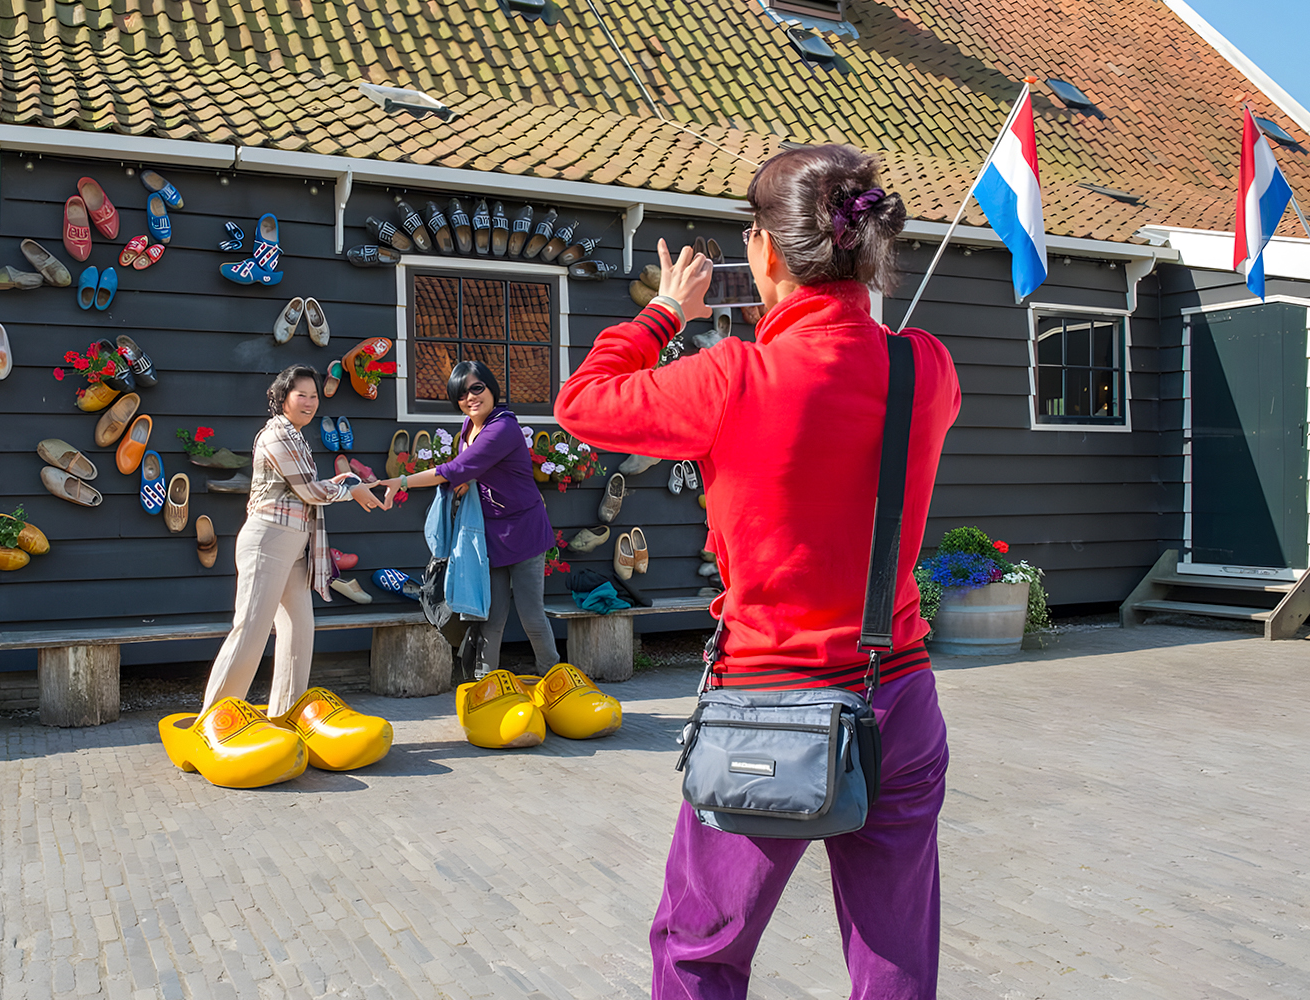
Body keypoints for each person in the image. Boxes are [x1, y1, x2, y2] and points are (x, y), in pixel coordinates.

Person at [553, 144, 962, 999]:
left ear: (766, 253)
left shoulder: (733, 376)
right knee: (893, 957)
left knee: (701, 952)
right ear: (864, 247)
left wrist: (665, 312)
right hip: (899, 694)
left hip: (770, 706)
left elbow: (583, 404)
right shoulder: (925, 367)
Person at [202, 365, 391, 716]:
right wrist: (351, 489)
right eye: (301, 394)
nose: (309, 402)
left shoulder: (296, 437)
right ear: (282, 398)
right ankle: (214, 720)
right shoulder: (275, 436)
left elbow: (312, 488)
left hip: (293, 546)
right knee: (251, 632)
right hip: (268, 541)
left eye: (314, 395)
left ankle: (284, 716)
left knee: (299, 632)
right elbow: (309, 489)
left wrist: (351, 483)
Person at [377, 360, 559, 674]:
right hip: (490, 535)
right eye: (462, 394)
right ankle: (485, 685)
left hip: (525, 532)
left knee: (531, 615)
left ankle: (554, 675)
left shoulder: (503, 427)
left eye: (477, 388)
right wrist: (464, 486)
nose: (471, 398)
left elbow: (458, 468)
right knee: (490, 616)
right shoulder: (469, 427)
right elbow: (469, 471)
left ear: (492, 388)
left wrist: (402, 481)